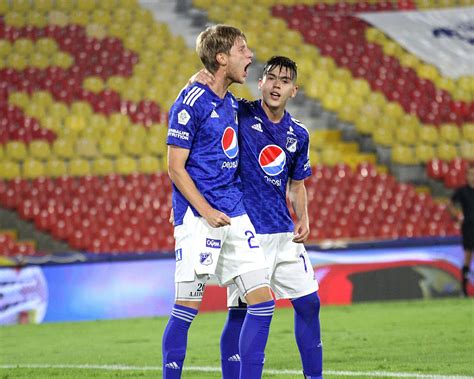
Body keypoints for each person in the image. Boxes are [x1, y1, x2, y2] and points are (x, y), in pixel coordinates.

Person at [191, 56, 323, 379]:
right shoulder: (240, 113)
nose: (277, 84)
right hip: (247, 233)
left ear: (294, 90)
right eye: (272, 78)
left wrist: (302, 216)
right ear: (260, 83)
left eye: (285, 80)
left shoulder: (299, 134)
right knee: (241, 314)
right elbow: (204, 89)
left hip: (284, 233)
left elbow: (297, 183)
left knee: (310, 304)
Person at [162, 25, 275, 379]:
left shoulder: (228, 101)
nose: (251, 55)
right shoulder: (189, 102)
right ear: (222, 57)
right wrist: (204, 210)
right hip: (200, 218)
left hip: (234, 212)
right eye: (243, 49)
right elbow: (175, 167)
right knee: (186, 309)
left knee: (264, 303)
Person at [447, 163, 474, 297]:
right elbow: (450, 203)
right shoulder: (462, 191)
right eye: (470, 174)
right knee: (468, 257)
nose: (473, 177)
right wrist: (456, 216)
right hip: (469, 226)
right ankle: (463, 289)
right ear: (466, 176)